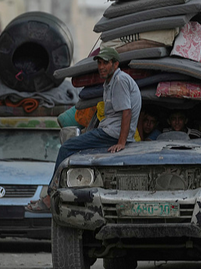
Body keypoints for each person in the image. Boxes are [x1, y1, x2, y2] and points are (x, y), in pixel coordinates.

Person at [27, 47, 141, 212]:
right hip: (109, 131)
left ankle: (49, 197)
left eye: (106, 63)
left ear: (115, 64)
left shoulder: (120, 80)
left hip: (111, 134)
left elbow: (127, 112)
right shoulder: (110, 82)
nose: (101, 67)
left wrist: (122, 142)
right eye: (100, 63)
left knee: (67, 147)